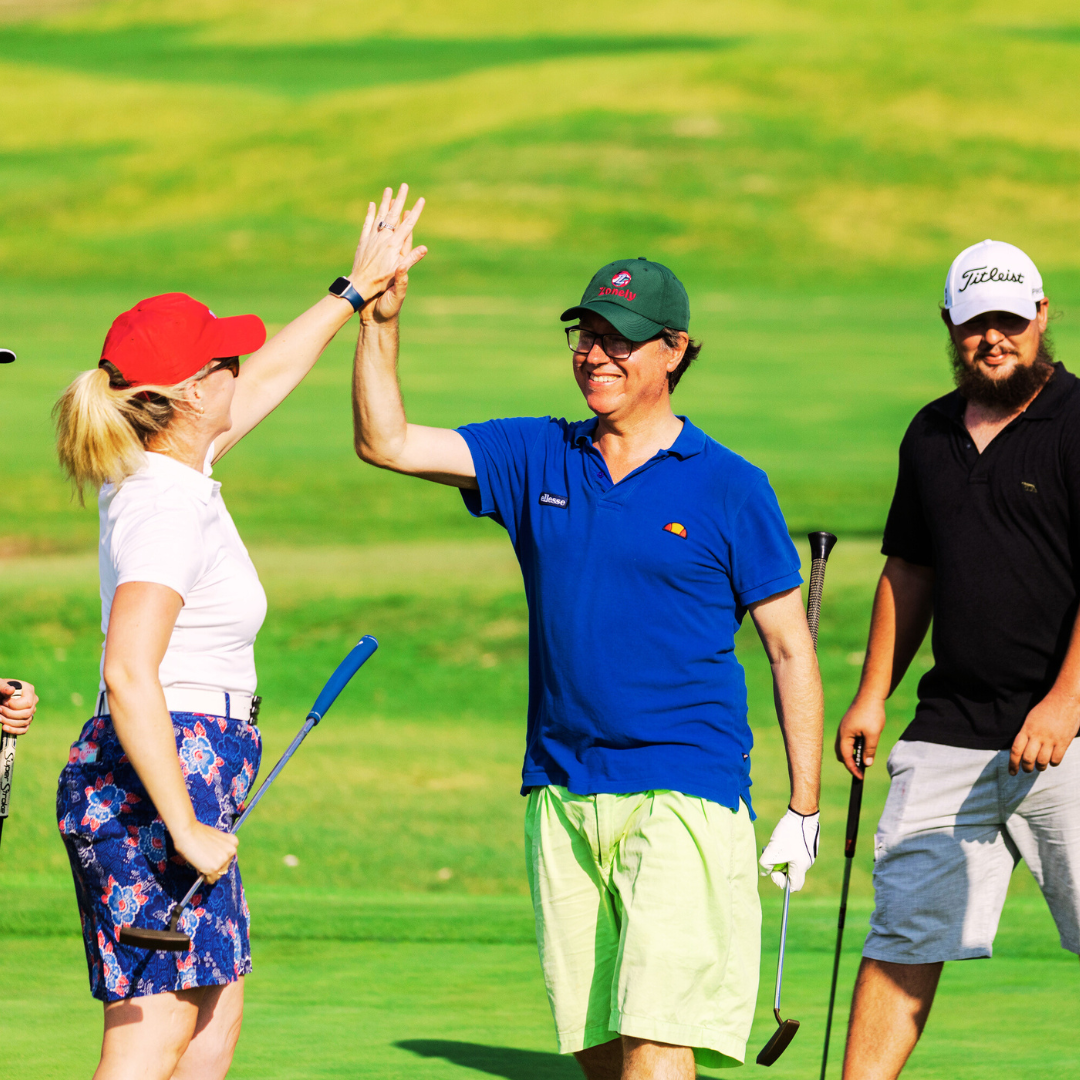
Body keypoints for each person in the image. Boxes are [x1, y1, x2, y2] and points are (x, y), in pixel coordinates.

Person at [352, 251, 824, 1077]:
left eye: (622, 340)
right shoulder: (540, 454)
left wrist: (805, 805)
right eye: (586, 335)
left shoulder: (729, 486)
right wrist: (378, 324)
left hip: (687, 784)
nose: (597, 355)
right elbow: (385, 442)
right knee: (600, 1048)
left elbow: (790, 645)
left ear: (675, 350)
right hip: (562, 787)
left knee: (655, 1040)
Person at [53, 186, 425, 1080]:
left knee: (213, 1023)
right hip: (158, 775)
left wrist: (352, 292)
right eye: (223, 362)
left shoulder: (172, 460)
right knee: (154, 1036)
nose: (238, 370)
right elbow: (129, 672)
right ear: (186, 392)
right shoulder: (162, 505)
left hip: (192, 760)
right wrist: (182, 822)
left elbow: (266, 377)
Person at [836, 239, 1080, 1080]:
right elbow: (909, 569)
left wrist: (1065, 704)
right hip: (951, 728)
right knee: (903, 930)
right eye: (979, 324)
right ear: (952, 325)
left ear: (1041, 316)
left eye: (1012, 320)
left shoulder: (1079, 421)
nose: (996, 338)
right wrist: (873, 695)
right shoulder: (931, 432)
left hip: (1069, 737)